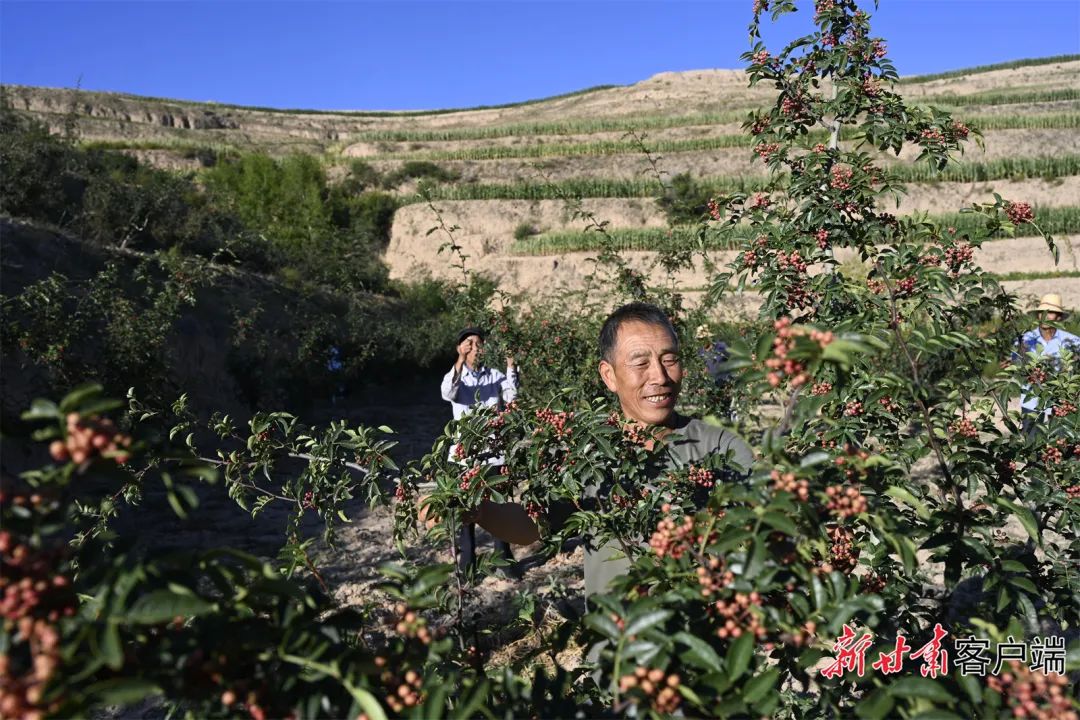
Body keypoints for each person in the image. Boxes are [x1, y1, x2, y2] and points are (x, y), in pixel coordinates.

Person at [469, 302, 753, 600]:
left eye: (670, 359)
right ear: (609, 376)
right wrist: (479, 510)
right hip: (615, 639)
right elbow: (534, 526)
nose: (659, 376)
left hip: (696, 639)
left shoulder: (721, 447)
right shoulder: (587, 453)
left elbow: (760, 526)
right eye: (640, 362)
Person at [440, 326, 521, 577]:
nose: (475, 348)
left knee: (498, 507)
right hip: (465, 455)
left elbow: (512, 395)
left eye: (478, 343)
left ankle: (502, 560)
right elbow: (447, 393)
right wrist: (460, 361)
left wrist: (511, 364)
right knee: (466, 512)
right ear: (460, 348)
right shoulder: (456, 376)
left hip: (493, 452)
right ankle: (468, 564)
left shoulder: (494, 375)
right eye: (469, 343)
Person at [1017, 294, 1079, 432]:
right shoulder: (1025, 340)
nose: (1045, 316)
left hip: (1061, 401)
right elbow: (1018, 367)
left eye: (1050, 312)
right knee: (1031, 442)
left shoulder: (1073, 341)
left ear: (1058, 317)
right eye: (1042, 312)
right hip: (1032, 401)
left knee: (1061, 442)